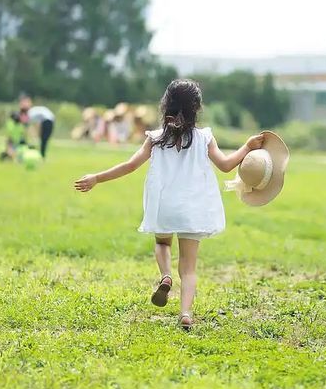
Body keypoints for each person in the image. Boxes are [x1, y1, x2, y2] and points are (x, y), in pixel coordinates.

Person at [74, 79, 264, 330]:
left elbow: (130, 166)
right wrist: (248, 146)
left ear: (166, 105)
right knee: (189, 267)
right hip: (193, 208)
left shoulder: (155, 138)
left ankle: (165, 276)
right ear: (196, 108)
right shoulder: (204, 138)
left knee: (163, 243)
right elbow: (226, 165)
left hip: (165, 205)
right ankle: (185, 313)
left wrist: (97, 178)